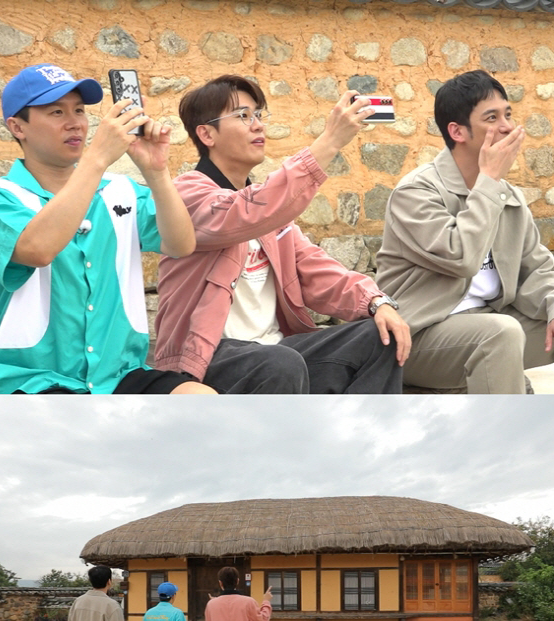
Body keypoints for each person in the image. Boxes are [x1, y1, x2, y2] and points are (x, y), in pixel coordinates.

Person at [0, 62, 215, 396]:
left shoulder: (121, 189)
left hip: (119, 376)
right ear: (17, 127)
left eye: (80, 110)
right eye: (56, 112)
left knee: (204, 403)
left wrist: (157, 172)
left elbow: (182, 243)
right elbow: (39, 250)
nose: (75, 123)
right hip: (33, 381)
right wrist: (96, 159)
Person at [153, 73, 411, 393]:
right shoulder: (186, 196)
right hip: (208, 359)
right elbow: (248, 212)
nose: (258, 125)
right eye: (243, 116)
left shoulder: (269, 212)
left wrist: (375, 301)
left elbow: (316, 269)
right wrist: (330, 140)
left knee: (380, 336)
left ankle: (364, 440)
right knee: (279, 362)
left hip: (274, 353)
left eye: (259, 115)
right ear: (206, 134)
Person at [377, 70, 554, 394]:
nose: (507, 126)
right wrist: (488, 183)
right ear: (457, 131)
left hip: (490, 321)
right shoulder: (415, 193)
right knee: (499, 332)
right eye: (491, 117)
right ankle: (507, 442)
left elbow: (536, 267)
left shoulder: (506, 194)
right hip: (418, 338)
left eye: (508, 114)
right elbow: (461, 258)